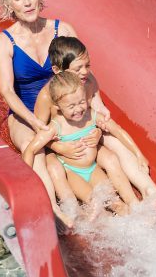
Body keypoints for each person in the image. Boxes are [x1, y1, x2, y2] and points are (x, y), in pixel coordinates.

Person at [34, 36, 156, 214]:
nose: (84, 72)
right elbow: (39, 132)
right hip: (66, 150)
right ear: (58, 71)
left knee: (114, 143)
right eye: (78, 69)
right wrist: (60, 147)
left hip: (88, 139)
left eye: (87, 66)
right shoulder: (47, 96)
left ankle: (150, 192)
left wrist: (98, 131)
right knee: (66, 175)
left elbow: (100, 115)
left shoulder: (88, 81)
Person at [0, 0, 82, 223]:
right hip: (25, 114)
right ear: (10, 6)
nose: (27, 2)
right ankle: (53, 210)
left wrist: (99, 109)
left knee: (97, 137)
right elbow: (7, 91)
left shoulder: (61, 30)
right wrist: (34, 122)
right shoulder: (4, 41)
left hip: (61, 109)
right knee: (36, 147)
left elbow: (85, 72)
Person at [23, 71, 145, 214]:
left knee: (116, 203)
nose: (78, 109)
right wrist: (27, 179)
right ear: (58, 107)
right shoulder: (56, 126)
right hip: (72, 172)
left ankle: (137, 224)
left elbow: (118, 130)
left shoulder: (91, 116)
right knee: (95, 205)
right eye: (71, 106)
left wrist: (139, 154)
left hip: (93, 169)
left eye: (81, 102)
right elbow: (30, 149)